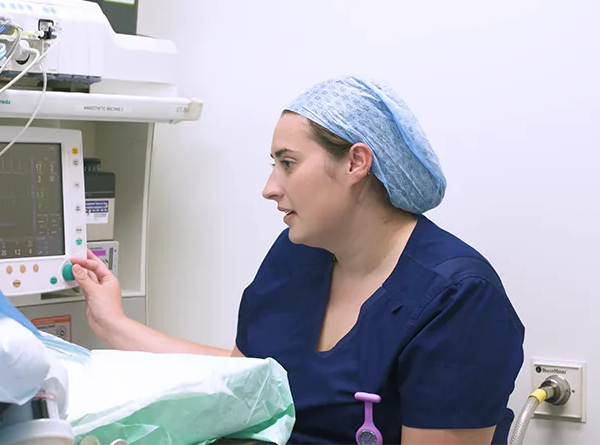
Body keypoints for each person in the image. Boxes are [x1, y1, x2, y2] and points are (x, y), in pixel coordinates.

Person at [70, 76, 525, 445]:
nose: (270, 188)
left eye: (287, 163)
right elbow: (242, 375)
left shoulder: (459, 299)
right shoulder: (297, 256)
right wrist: (113, 322)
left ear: (356, 163)